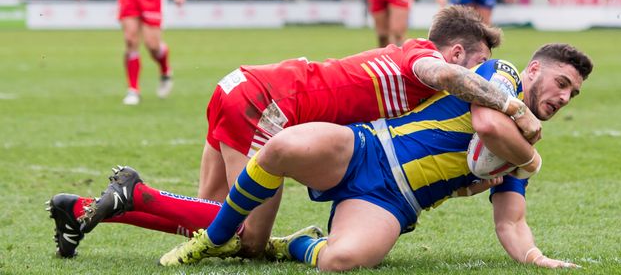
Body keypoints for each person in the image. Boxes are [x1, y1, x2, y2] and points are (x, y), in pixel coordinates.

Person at [47, 6, 542, 259]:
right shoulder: (426, 62)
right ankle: (136, 192)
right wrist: (514, 105)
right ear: (456, 53)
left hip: (239, 87)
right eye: (480, 65)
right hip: (267, 106)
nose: (478, 80)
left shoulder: (410, 68)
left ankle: (81, 211)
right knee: (249, 240)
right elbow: (452, 81)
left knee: (212, 228)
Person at [159, 43, 593, 269]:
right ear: (534, 70)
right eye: (561, 82)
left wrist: (537, 258)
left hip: (392, 202)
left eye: (572, 93)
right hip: (366, 148)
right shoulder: (504, 75)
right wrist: (531, 158)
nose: (564, 96)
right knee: (282, 147)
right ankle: (212, 240)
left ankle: (295, 244)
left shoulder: (519, 151)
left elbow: (510, 221)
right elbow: (488, 125)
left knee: (340, 260)